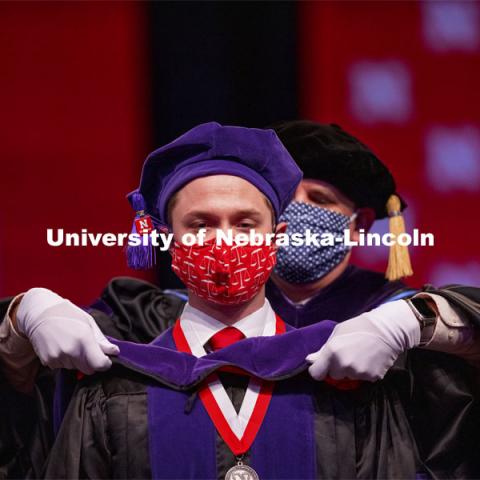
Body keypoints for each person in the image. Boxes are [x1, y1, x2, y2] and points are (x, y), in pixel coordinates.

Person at [1, 122, 480, 479]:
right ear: (168, 237)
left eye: (246, 223)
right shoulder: (139, 325)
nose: (225, 242)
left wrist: (413, 319)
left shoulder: (387, 334)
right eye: (202, 224)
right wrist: (23, 315)